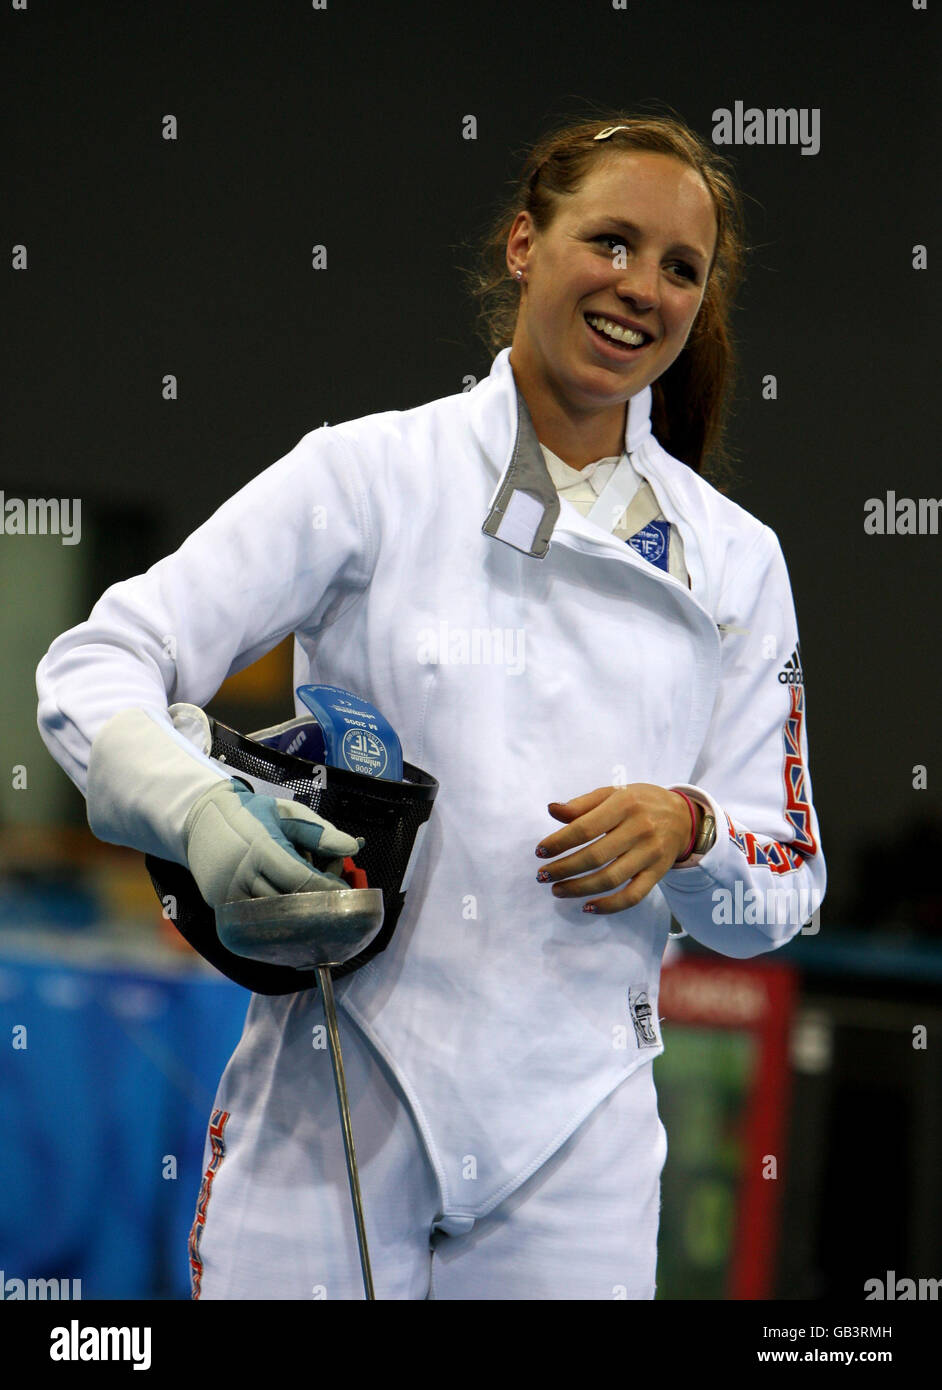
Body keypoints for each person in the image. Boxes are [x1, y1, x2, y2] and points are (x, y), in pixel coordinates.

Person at [36, 111, 826, 1301]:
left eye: (680, 268)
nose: (640, 288)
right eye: (609, 241)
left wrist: (692, 826)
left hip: (584, 1141)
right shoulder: (370, 474)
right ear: (523, 244)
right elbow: (96, 663)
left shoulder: (736, 560)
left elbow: (788, 886)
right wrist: (198, 812)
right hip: (334, 1094)